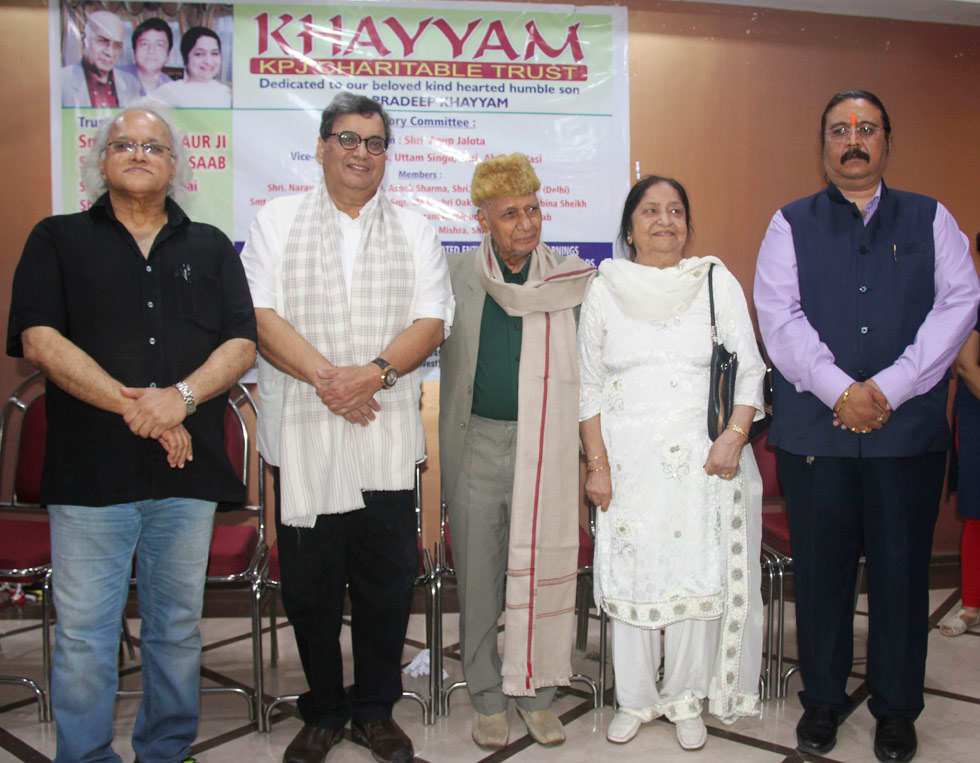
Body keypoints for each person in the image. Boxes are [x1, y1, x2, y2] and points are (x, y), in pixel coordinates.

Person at [6, 100, 257, 763]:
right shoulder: (55, 238)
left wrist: (181, 398)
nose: (140, 153)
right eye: (125, 144)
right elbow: (39, 340)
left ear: (176, 165)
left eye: (154, 145)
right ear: (101, 161)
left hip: (187, 472)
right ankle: (85, 756)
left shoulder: (209, 246)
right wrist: (142, 410)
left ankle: (166, 750)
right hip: (90, 474)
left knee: (175, 628)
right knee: (86, 633)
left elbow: (241, 344)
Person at [754, 89, 980, 763]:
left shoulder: (933, 218)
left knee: (900, 575)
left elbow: (958, 305)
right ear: (823, 144)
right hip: (815, 436)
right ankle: (822, 701)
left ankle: (896, 707)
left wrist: (887, 387)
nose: (852, 139)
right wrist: (840, 390)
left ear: (886, 140)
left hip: (905, 433)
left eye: (866, 128)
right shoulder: (787, 224)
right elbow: (779, 320)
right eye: (839, 129)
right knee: (821, 575)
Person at [240, 92, 453, 763]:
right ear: (324, 147)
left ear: (387, 154)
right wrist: (335, 379)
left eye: (375, 141)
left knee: (387, 583)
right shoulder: (276, 220)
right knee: (308, 587)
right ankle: (326, 710)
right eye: (348, 138)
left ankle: (375, 709)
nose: (362, 152)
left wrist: (374, 376)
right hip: (303, 433)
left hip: (384, 434)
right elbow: (261, 314)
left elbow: (431, 319)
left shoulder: (416, 229)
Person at [578, 175, 766, 750]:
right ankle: (635, 698)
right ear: (630, 228)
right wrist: (598, 465)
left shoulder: (712, 279)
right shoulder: (604, 288)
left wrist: (733, 437)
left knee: (693, 572)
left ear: (687, 224)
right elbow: (588, 388)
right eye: (651, 211)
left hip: (700, 461)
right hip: (628, 465)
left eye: (676, 211)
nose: (665, 221)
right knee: (632, 571)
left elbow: (752, 368)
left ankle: (685, 697)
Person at [438, 153, 595, 750]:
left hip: (546, 448)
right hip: (477, 440)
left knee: (542, 568)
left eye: (533, 209)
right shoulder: (455, 276)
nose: (526, 224)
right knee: (478, 574)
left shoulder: (569, 282)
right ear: (482, 219)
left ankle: (537, 693)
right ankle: (485, 695)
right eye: (510, 214)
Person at [940, 256, 980, 637]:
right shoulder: (973, 302)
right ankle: (971, 605)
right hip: (977, 416)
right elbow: (967, 367)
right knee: (979, 513)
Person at [62, 9, 141, 107]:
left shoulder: (132, 84)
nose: (110, 52)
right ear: (84, 40)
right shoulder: (60, 81)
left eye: (117, 45)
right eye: (102, 41)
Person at [155, 27, 231, 108]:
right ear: (186, 57)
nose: (208, 61)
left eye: (214, 53)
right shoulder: (168, 91)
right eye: (199, 54)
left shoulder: (227, 92)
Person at [120, 18, 174, 96]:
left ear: (168, 55)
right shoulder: (116, 78)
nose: (151, 51)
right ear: (134, 52)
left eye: (159, 44)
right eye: (144, 43)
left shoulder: (172, 89)